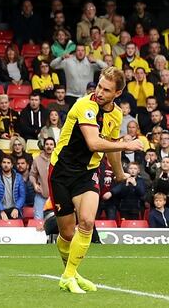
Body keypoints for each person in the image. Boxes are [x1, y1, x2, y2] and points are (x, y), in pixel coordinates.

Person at [49, 67, 143, 294]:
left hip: (87, 173)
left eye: (106, 89)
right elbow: (94, 143)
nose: (99, 92)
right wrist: (126, 144)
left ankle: (69, 276)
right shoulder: (84, 105)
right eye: (99, 86)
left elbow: (110, 147)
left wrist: (119, 173)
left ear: (117, 93)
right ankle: (71, 273)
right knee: (68, 234)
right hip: (61, 171)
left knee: (88, 222)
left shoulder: (116, 114)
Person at [30, 138, 54, 220]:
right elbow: (32, 175)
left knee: (55, 220)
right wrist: (34, 184)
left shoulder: (58, 160)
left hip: (55, 196)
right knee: (38, 219)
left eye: (51, 144)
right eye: (47, 144)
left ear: (54, 147)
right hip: (41, 195)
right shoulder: (37, 160)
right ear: (44, 146)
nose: (49, 146)